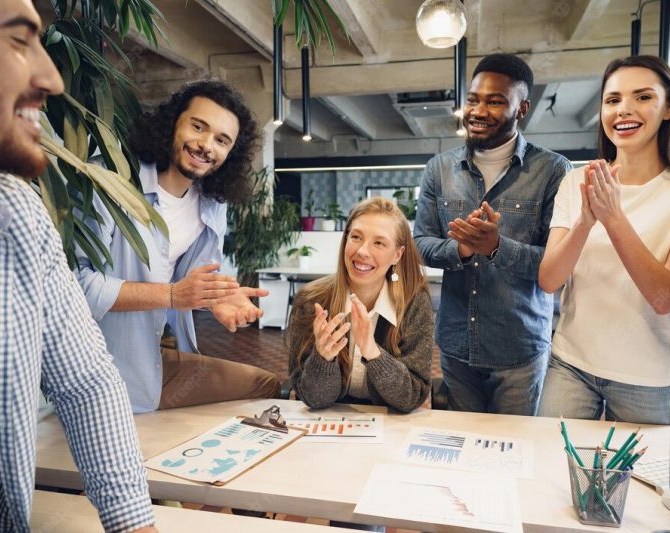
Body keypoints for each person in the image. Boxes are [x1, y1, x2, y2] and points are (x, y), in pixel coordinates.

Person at [0, 1, 156, 531]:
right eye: (18, 40)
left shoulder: (14, 210)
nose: (50, 76)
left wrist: (134, 521)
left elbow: (86, 379)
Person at [537, 55, 670, 425]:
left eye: (642, 97)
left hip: (649, 377)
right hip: (571, 364)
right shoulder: (577, 181)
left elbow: (665, 297)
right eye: (613, 100)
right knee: (552, 469)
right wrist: (585, 222)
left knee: (640, 482)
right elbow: (549, 280)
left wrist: (612, 216)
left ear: (669, 107)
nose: (624, 110)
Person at [75, 81, 280, 413]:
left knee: (264, 385)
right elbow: (73, 286)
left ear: (231, 154)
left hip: (154, 353)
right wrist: (172, 295)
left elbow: (189, 283)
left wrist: (216, 299)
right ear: (174, 123)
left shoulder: (211, 204)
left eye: (221, 140)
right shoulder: (110, 179)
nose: (205, 145)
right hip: (97, 365)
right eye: (198, 127)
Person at [414, 54, 571, 414]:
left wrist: (497, 247)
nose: (478, 110)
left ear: (522, 108)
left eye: (495, 101)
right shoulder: (439, 169)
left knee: (514, 453)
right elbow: (420, 244)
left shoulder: (553, 171)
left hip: (517, 349)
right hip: (456, 345)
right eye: (473, 99)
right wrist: (463, 251)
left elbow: (559, 265)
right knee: (462, 448)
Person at [287, 197, 434, 413]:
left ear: (397, 255)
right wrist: (323, 357)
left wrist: (372, 352)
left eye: (379, 243)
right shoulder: (310, 301)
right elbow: (313, 399)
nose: (363, 251)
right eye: (356, 237)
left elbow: (410, 397)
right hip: (329, 425)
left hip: (391, 427)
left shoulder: (415, 303)